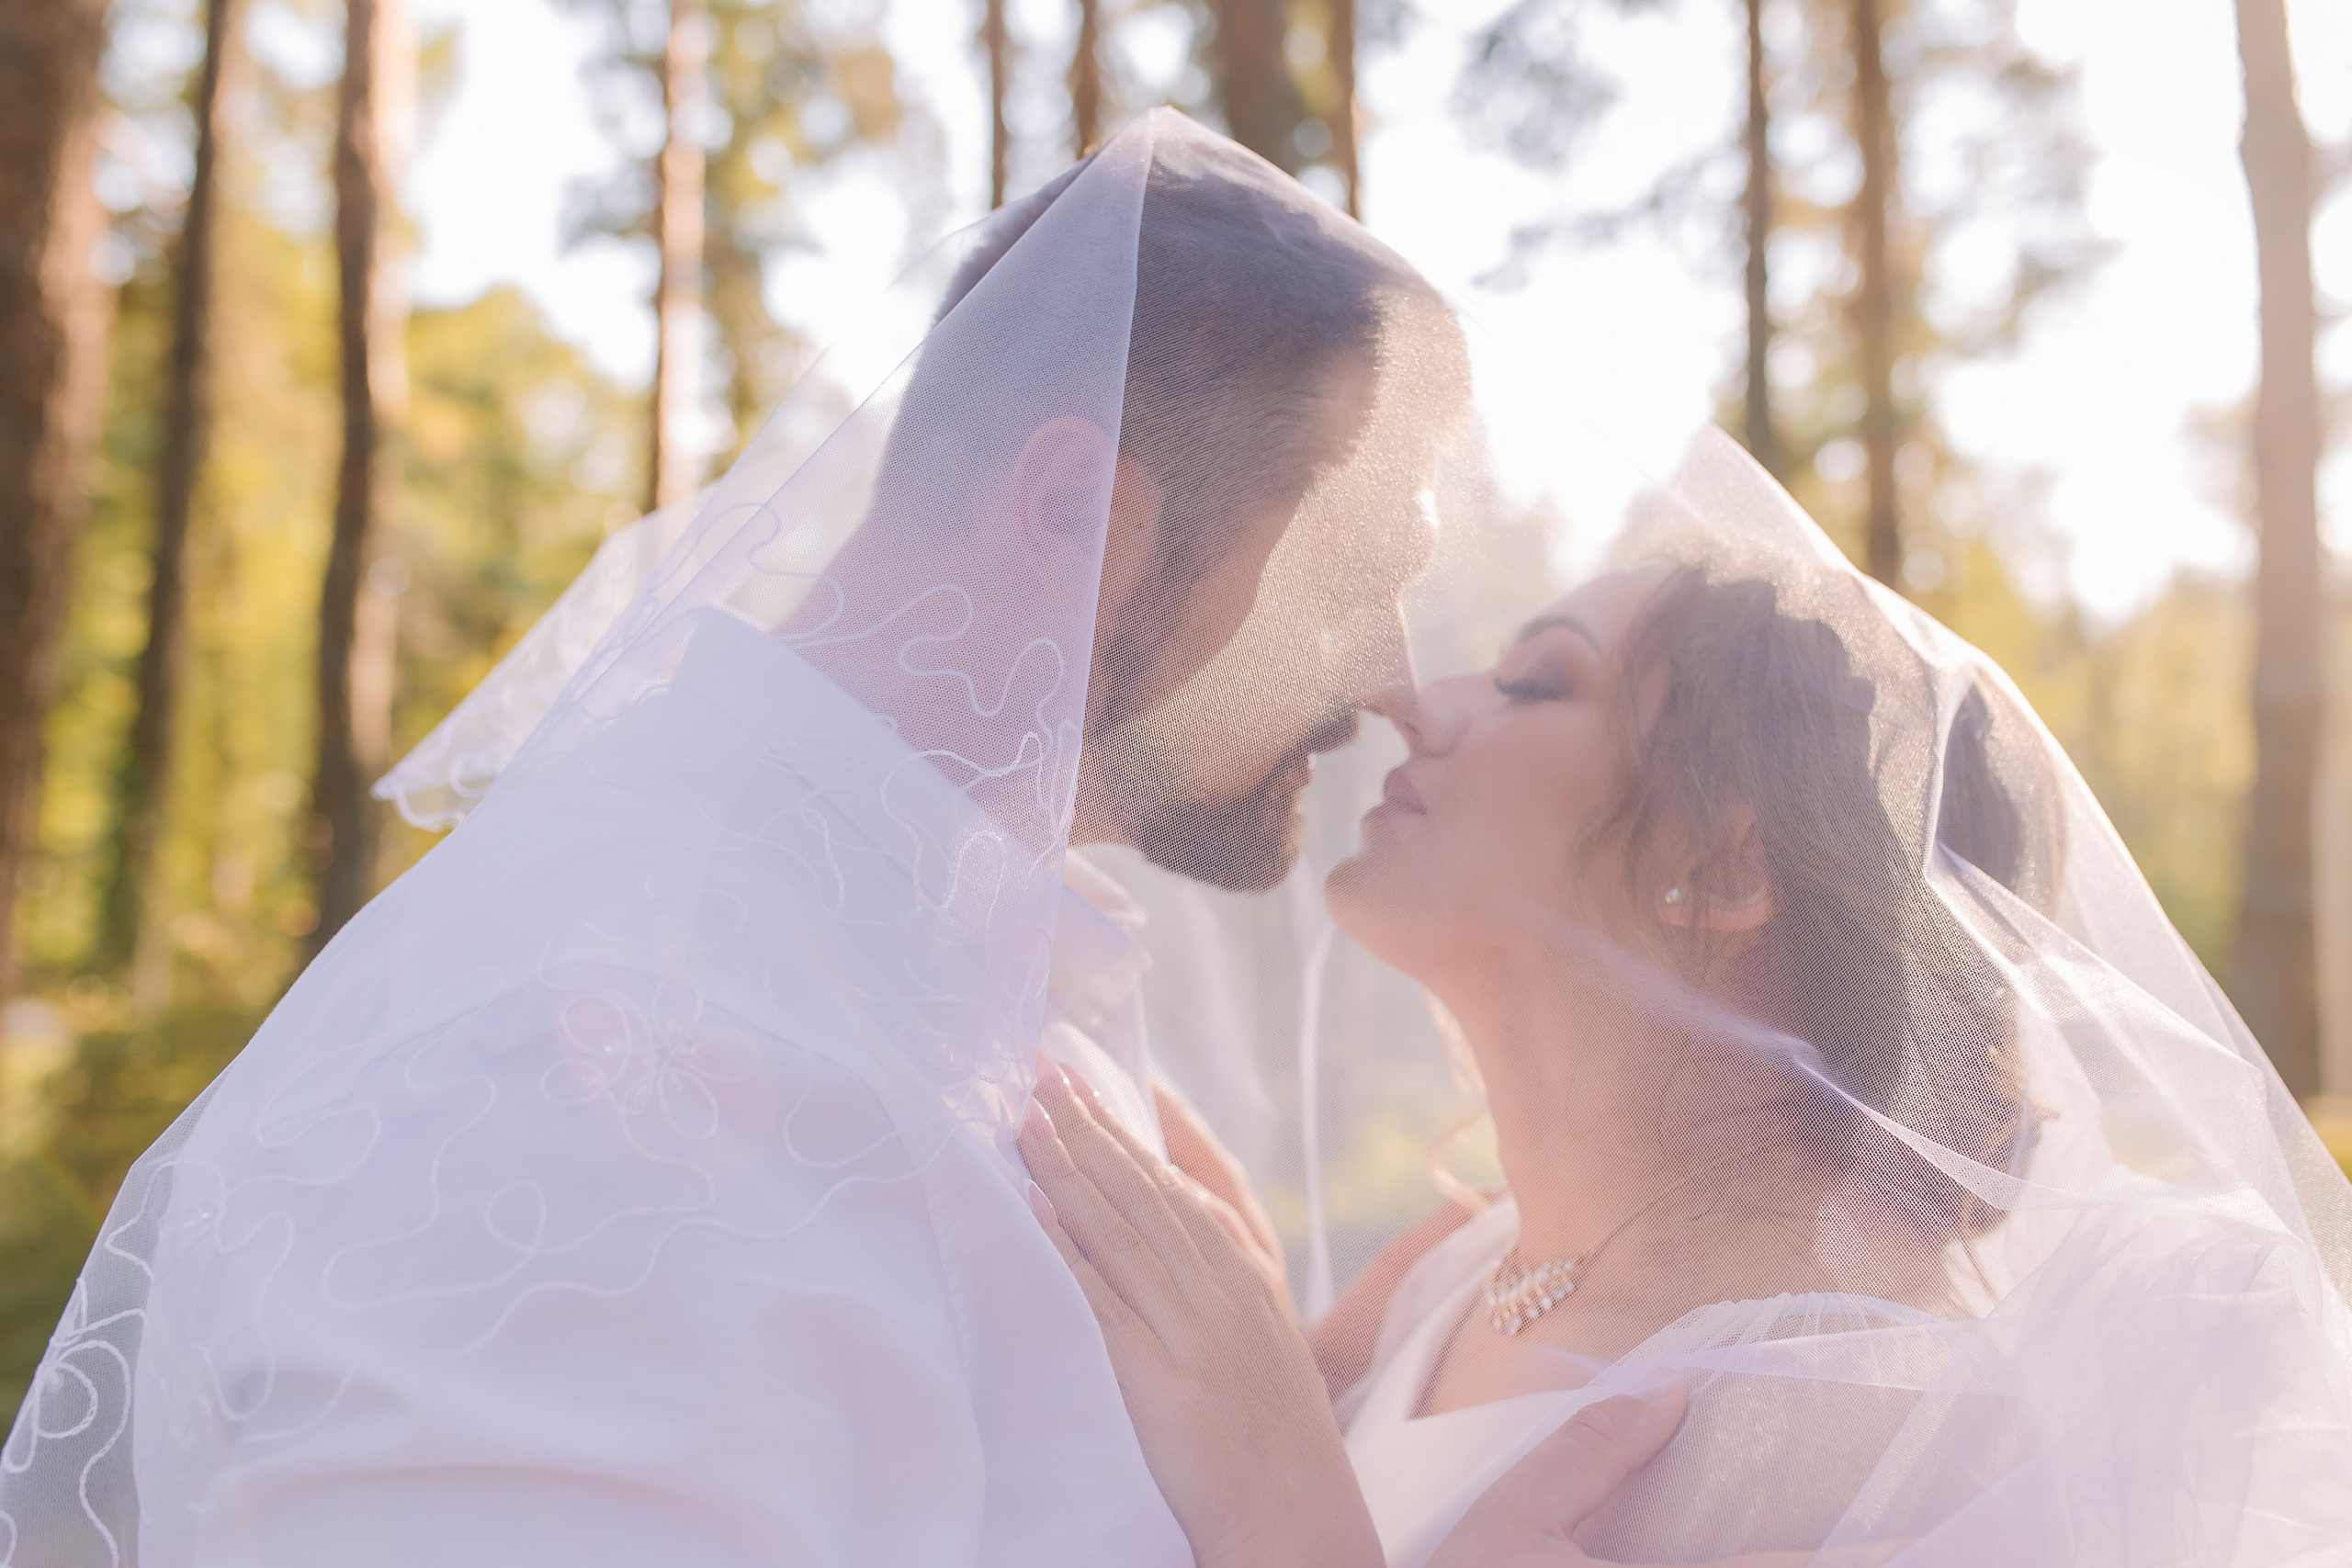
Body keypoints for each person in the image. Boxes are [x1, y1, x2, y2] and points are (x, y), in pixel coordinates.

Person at [0, 112, 1684, 1568]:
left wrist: (1312, 1448)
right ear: (1080, 514)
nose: (1397, 679)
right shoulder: (596, 1063)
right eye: (1352, 576)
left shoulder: (974, 998)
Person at [1025, 433, 2352, 1566]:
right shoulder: (1460, 1271)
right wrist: (1269, 1364)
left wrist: (1292, 1526)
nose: (1417, 705)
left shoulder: (1841, 1409)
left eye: (1538, 682)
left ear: (1721, 868)